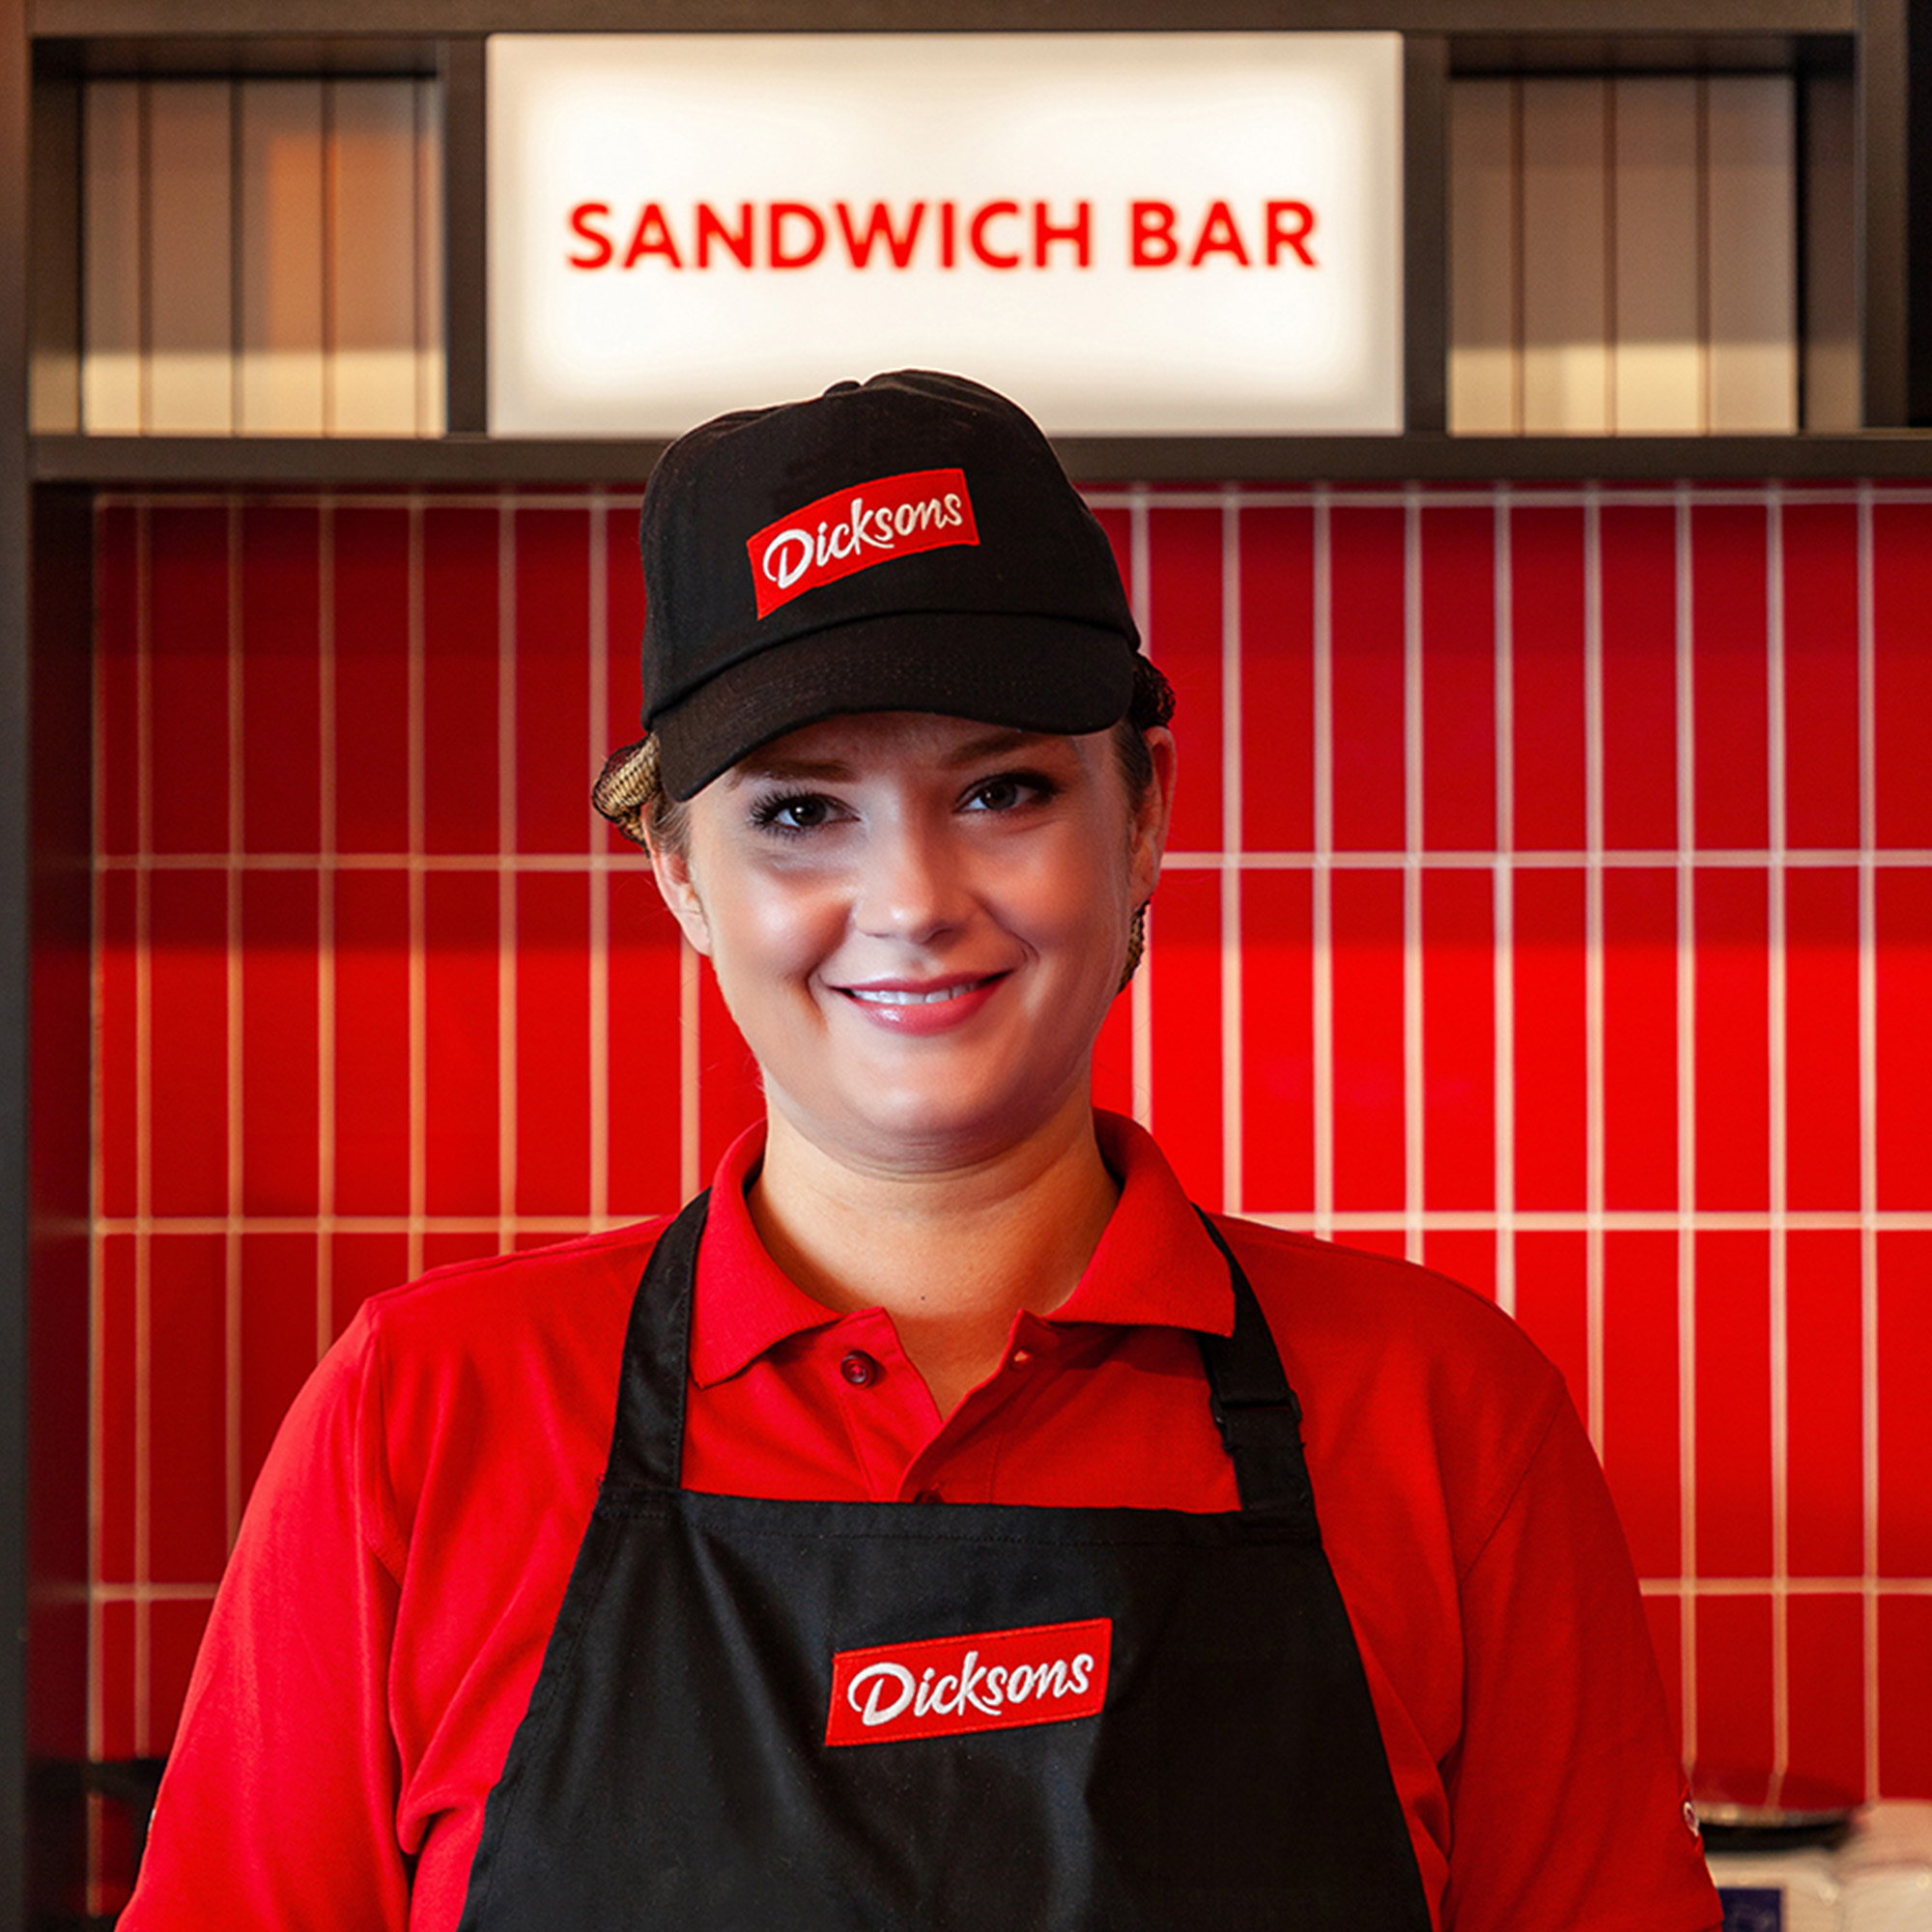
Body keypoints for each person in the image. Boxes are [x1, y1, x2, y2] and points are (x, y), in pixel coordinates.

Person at [123, 371, 1722, 1931]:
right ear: (679, 872)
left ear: (1144, 810)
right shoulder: (428, 1414)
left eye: (1002, 789)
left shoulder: (1438, 1412)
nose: (912, 902)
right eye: (801, 813)